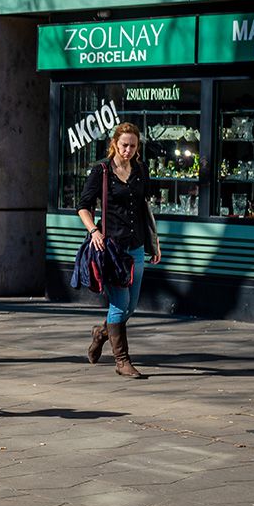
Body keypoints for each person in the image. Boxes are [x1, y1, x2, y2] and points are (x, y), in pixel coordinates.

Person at [77, 122, 162, 378]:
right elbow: (83, 206)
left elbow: (144, 209)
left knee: (131, 306)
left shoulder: (140, 169)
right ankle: (122, 361)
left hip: (136, 247)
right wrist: (94, 230)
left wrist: (154, 243)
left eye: (133, 146)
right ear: (115, 143)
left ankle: (102, 333)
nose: (128, 150)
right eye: (124, 145)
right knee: (119, 303)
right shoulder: (101, 170)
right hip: (112, 248)